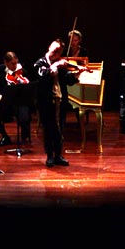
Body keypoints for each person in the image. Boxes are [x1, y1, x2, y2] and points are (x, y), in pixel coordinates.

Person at [33, 39, 83, 167]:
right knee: (49, 129)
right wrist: (54, 67)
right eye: (54, 50)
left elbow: (67, 80)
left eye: (58, 52)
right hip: (46, 101)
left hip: (60, 101)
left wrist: (77, 73)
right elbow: (41, 76)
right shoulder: (40, 63)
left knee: (60, 128)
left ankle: (58, 155)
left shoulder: (59, 64)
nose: (55, 54)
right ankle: (50, 155)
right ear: (49, 47)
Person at [0, 51, 33, 146]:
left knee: (24, 116)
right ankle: (4, 136)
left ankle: (25, 134)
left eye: (16, 63)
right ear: (5, 62)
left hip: (20, 102)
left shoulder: (22, 71)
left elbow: (28, 87)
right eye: (12, 64)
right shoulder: (0, 69)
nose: (15, 66)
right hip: (5, 101)